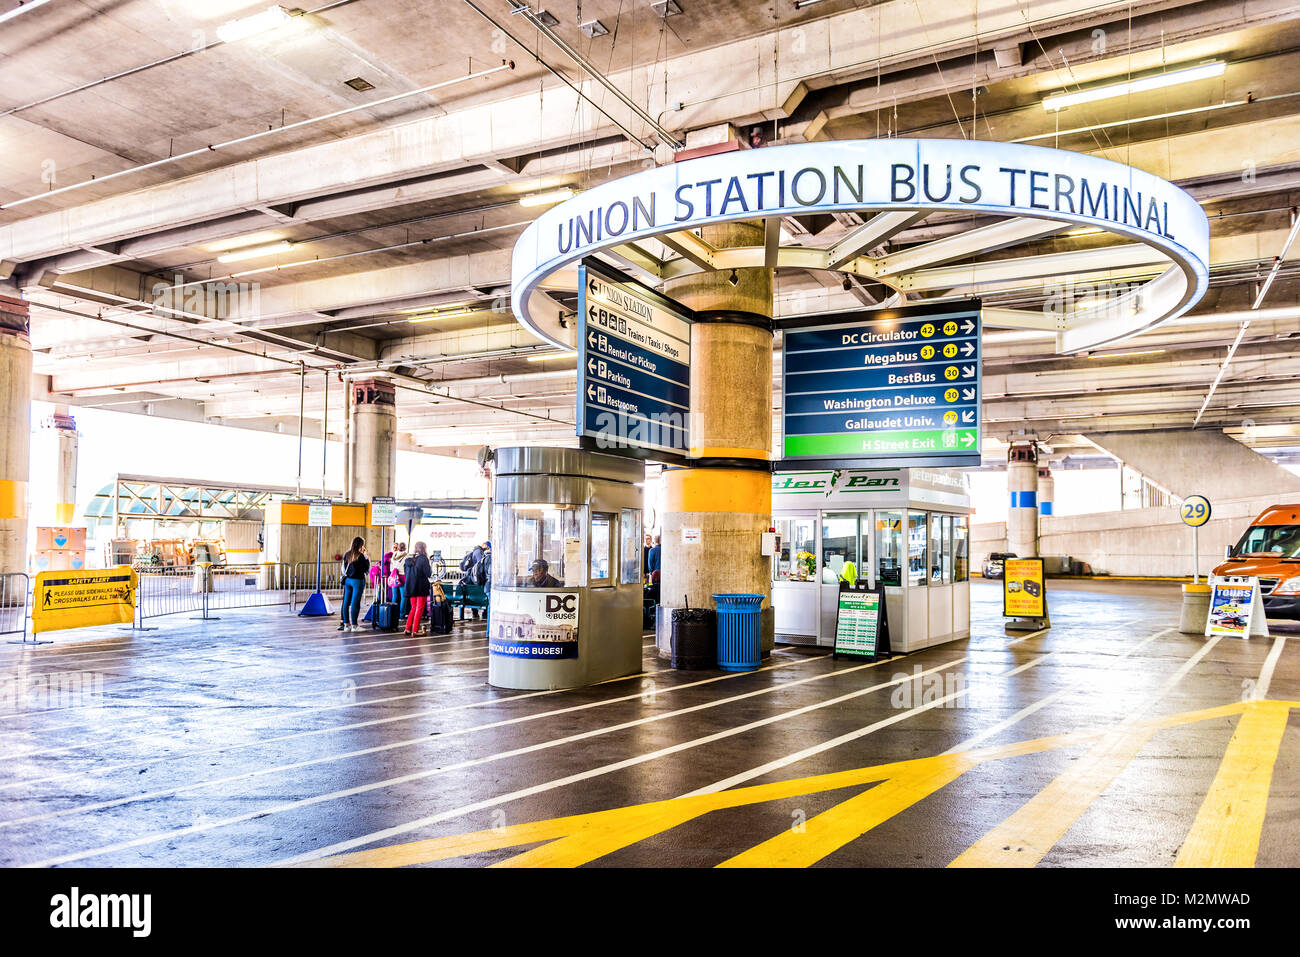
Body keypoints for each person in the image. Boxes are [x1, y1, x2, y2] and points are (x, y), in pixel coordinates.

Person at [338, 537, 369, 633]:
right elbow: (366, 570)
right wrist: (366, 556)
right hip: (358, 581)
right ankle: (354, 626)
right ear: (361, 545)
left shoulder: (347, 554)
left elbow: (343, 569)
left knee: (346, 602)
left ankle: (346, 625)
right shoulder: (361, 556)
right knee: (355, 603)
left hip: (348, 580)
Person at [403, 541, 433, 636]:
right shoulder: (423, 559)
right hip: (421, 587)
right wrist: (430, 566)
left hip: (410, 587)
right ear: (424, 549)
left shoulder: (408, 560)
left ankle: (407, 628)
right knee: (419, 608)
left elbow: (406, 573)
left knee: (413, 608)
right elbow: (428, 573)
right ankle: (415, 630)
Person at [390, 542, 408, 620]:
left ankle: (393, 613)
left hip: (394, 576)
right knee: (403, 597)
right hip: (402, 576)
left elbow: (391, 567)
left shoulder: (394, 555)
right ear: (405, 548)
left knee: (395, 596)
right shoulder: (406, 556)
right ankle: (401, 614)